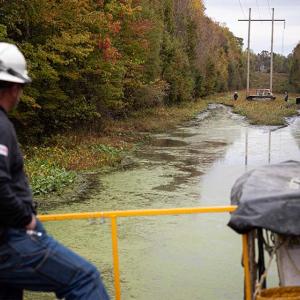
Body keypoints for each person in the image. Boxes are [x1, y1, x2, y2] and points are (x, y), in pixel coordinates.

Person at [0, 42, 110, 300]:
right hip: (9, 240)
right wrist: (26, 219)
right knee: (85, 278)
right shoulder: (1, 125)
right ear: (15, 87)